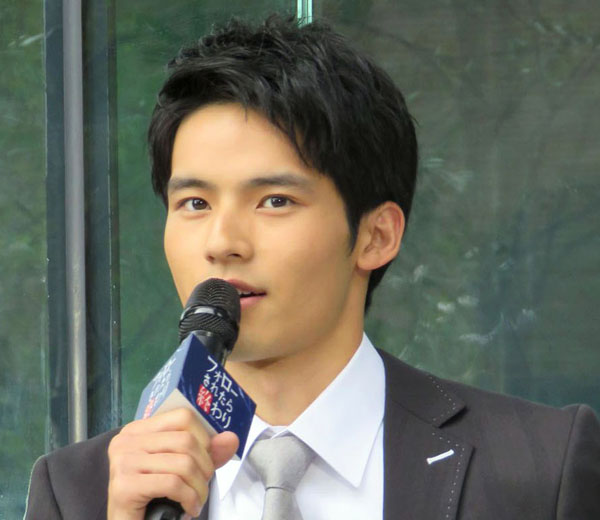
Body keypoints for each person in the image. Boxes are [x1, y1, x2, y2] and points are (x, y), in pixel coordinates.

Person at [26, 15, 600, 520]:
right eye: (195, 203)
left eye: (274, 201)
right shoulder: (83, 490)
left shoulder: (538, 467)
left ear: (376, 236)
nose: (222, 243)